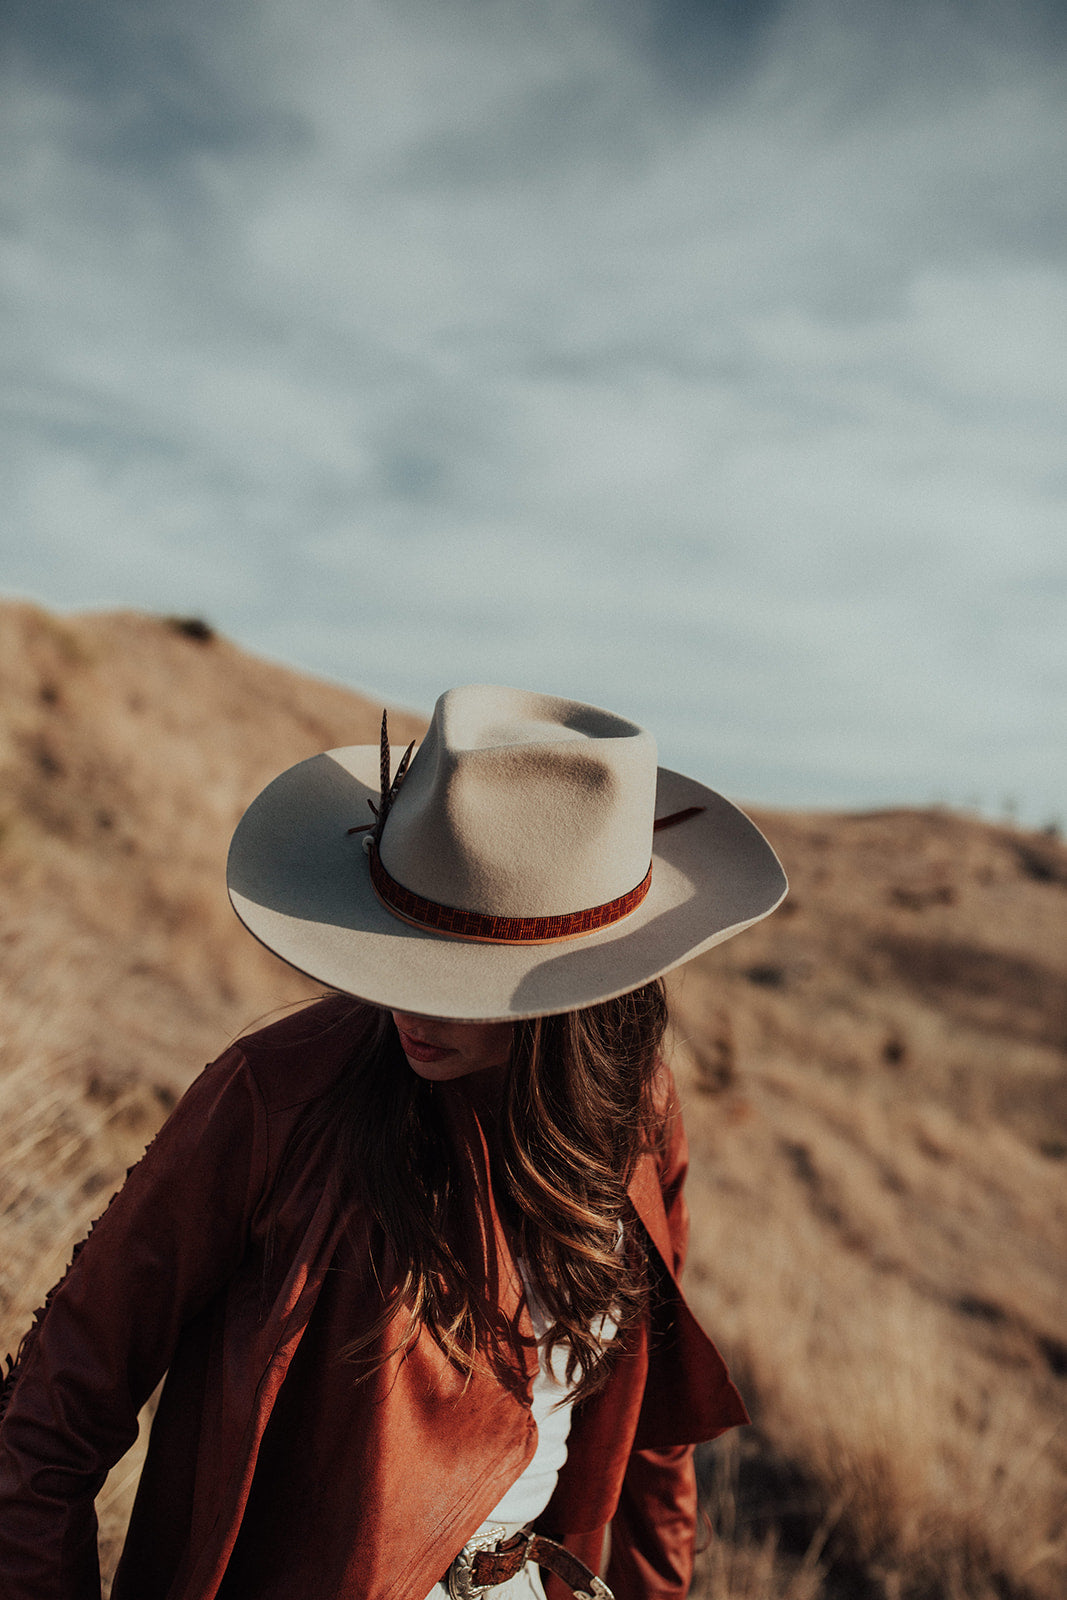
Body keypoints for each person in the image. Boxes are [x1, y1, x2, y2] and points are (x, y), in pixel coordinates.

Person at [0, 684, 786, 1600]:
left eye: (458, 977)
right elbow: (55, 1408)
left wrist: (660, 1585)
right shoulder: (278, 1096)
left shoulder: (634, 1111)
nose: (406, 1003)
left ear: (581, 989)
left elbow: (654, 1420)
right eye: (399, 946)